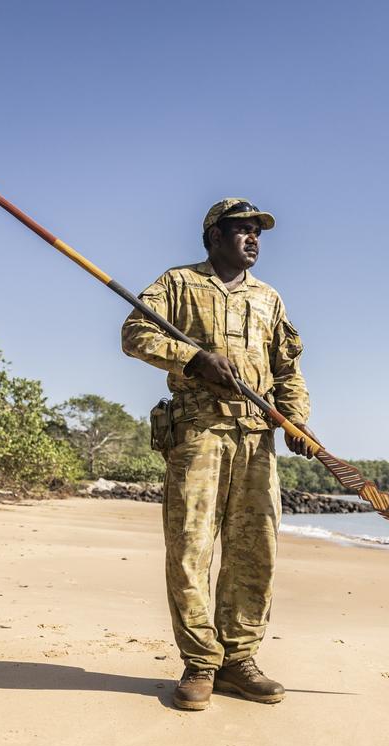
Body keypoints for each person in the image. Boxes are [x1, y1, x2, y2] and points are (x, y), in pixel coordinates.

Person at [121, 198, 317, 711]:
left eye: (258, 232)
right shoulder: (178, 283)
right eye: (241, 231)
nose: (252, 239)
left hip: (257, 438)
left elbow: (288, 369)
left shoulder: (269, 298)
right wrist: (192, 358)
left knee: (256, 550)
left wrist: (296, 418)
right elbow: (134, 332)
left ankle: (239, 661)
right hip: (199, 434)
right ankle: (200, 663)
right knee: (190, 548)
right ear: (213, 236)